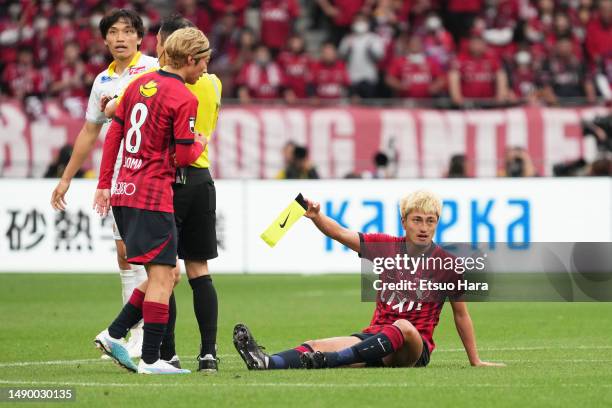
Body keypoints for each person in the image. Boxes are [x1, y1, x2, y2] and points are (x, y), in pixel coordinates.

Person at [233, 191, 504, 370]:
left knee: (404, 326)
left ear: (437, 224)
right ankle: (267, 363)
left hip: (413, 348)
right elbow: (340, 233)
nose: (424, 227)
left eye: (430, 221)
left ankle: (330, 361)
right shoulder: (385, 246)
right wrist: (316, 217)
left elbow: (461, 315)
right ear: (404, 221)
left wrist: (475, 361)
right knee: (316, 344)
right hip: (375, 341)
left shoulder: (447, 264)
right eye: (417, 220)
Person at [104, 15, 223, 372]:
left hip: (141, 183)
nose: (205, 69)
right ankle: (194, 354)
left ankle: (155, 349)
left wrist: (103, 181)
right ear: (190, 57)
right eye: (202, 61)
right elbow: (185, 147)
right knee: (185, 271)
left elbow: (114, 117)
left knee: (165, 272)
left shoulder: (142, 82)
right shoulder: (203, 87)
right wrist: (196, 141)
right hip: (180, 181)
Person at [49, 9, 159, 358]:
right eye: (113, 32)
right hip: (120, 176)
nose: (120, 38)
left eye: (128, 31)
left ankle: (148, 335)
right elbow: (89, 132)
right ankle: (135, 331)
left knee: (155, 259)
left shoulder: (155, 68)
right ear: (105, 39)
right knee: (125, 256)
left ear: (140, 38)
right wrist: (67, 178)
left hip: (153, 174)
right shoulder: (102, 82)